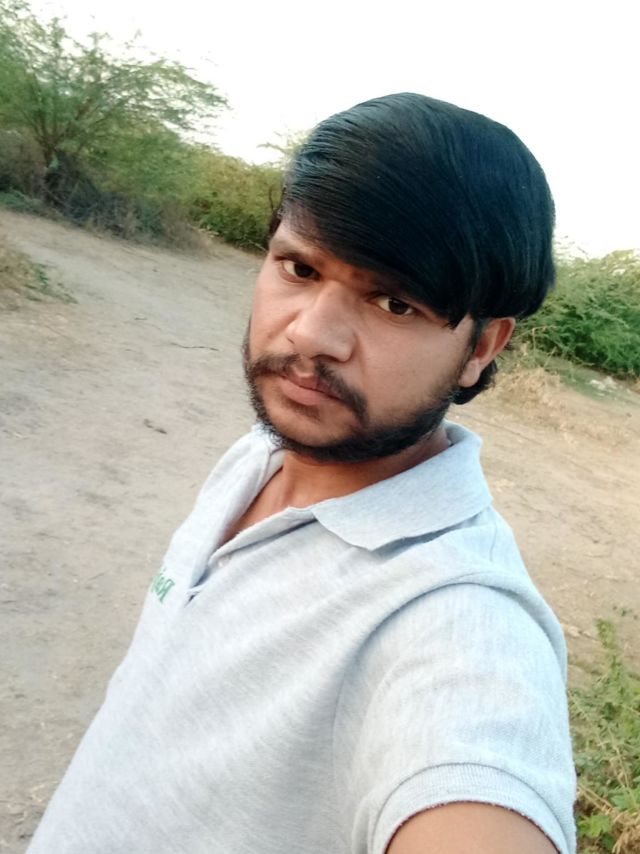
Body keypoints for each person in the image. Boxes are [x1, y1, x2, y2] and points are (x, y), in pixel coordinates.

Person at [28, 93, 576, 854]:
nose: (312, 334)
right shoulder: (261, 451)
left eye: (395, 302)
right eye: (299, 267)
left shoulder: (457, 622)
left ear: (481, 348)